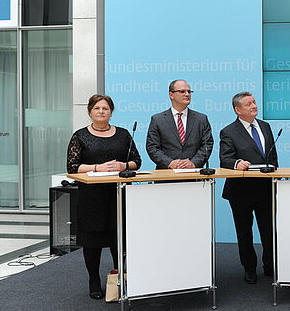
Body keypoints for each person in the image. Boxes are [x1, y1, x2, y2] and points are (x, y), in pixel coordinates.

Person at [66, 94, 141, 299]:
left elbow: (137, 161)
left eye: (105, 108)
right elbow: (72, 167)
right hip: (92, 197)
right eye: (97, 108)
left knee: (119, 238)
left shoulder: (124, 134)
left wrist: (123, 165)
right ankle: (93, 280)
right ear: (90, 111)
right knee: (93, 241)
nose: (101, 111)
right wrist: (97, 168)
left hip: (118, 193)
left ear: (111, 112)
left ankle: (120, 276)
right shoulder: (80, 136)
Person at [219, 91, 278, 284]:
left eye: (254, 102)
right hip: (241, 190)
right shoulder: (228, 131)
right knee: (244, 232)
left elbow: (272, 156)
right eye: (248, 104)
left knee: (268, 230)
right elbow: (225, 159)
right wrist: (237, 163)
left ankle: (270, 265)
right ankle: (249, 268)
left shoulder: (266, 126)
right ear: (238, 110)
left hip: (265, 188)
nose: (254, 106)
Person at [146, 79, 213, 169]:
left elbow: (207, 144)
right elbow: (152, 147)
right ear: (171, 95)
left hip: (194, 175)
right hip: (166, 174)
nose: (187, 94)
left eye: (189, 91)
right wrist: (169, 162)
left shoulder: (201, 119)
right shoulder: (158, 119)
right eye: (182, 91)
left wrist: (193, 163)